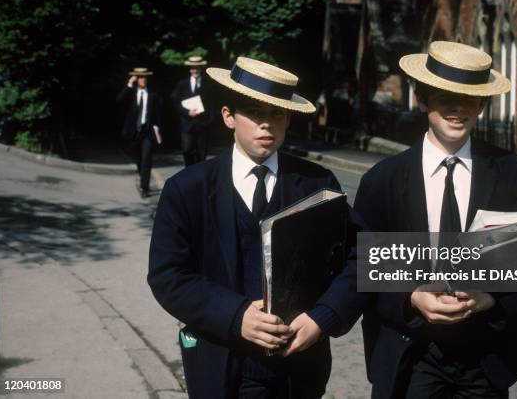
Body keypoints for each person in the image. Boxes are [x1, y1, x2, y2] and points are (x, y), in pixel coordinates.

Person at [148, 56, 365, 398]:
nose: (266, 125)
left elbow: (359, 258)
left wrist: (323, 317)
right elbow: (168, 275)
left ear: (288, 118)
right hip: (221, 364)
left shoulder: (316, 183)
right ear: (228, 116)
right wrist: (235, 316)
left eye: (276, 113)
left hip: (299, 370)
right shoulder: (188, 189)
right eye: (254, 112)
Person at [354, 41, 517, 398]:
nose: (458, 107)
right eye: (445, 95)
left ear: (482, 105)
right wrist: (411, 297)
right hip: (411, 354)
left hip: (486, 358)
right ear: (422, 98)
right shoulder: (382, 179)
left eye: (470, 98)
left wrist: (493, 300)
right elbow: (362, 265)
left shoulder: (509, 171)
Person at [116, 67, 162, 198]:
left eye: (145, 77)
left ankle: (144, 188)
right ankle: (141, 174)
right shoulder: (131, 92)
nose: (143, 79)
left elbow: (158, 114)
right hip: (134, 132)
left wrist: (158, 130)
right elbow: (119, 100)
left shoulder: (153, 94)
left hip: (148, 132)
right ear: (137, 79)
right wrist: (129, 84)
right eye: (140, 77)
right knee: (139, 159)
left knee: (147, 159)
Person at [171, 55, 214, 167]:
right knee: (186, 150)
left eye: (197, 68)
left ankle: (199, 181)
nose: (195, 70)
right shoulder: (182, 85)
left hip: (203, 125)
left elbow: (212, 105)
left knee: (201, 155)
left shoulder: (208, 85)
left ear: (201, 68)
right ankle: (188, 176)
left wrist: (208, 121)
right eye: (193, 68)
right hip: (187, 124)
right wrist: (187, 112)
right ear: (190, 69)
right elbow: (175, 103)